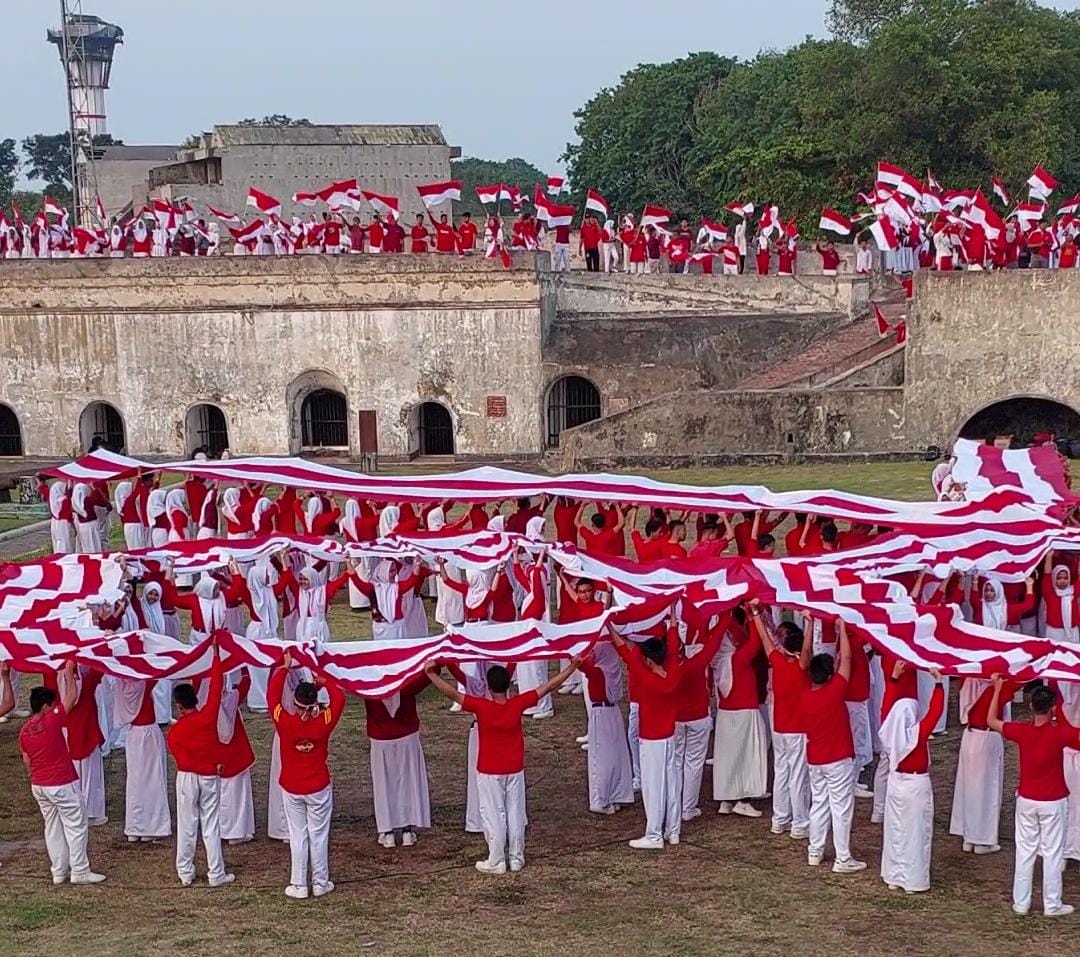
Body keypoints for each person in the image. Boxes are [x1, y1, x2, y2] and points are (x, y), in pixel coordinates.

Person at [425, 656, 583, 874]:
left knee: (493, 813)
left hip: (490, 770)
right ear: (509, 685)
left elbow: (452, 693)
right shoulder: (517, 704)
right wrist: (572, 667)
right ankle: (516, 857)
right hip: (514, 767)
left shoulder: (482, 707)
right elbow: (548, 686)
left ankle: (497, 859)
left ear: (489, 688)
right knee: (515, 811)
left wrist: (431, 674)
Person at [988, 676, 1080, 917]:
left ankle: (1021, 902)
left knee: (1025, 850)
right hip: (1053, 801)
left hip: (1027, 800)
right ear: (1052, 709)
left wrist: (997, 690)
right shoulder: (1060, 733)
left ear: (1030, 706)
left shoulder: (1022, 731)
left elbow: (992, 721)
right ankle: (1052, 904)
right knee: (1052, 853)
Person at [18, 661, 106, 885]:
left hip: (39, 785)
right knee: (76, 825)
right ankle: (79, 870)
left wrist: (37, 778)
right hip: (61, 783)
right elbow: (72, 695)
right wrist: (68, 670)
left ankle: (58, 871)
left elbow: (27, 760)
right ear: (46, 707)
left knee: (53, 827)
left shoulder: (24, 731)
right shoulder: (53, 720)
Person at [269, 652, 347, 899]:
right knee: (318, 834)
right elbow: (340, 697)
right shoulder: (323, 721)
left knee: (298, 834)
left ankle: (299, 884)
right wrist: (324, 682)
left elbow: (271, 696)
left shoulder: (284, 721)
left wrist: (284, 668)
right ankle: (321, 881)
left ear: (295, 701)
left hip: (292, 786)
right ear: (315, 702)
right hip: (318, 785)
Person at [799, 618, 865, 872]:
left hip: (815, 758)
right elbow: (847, 661)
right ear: (830, 674)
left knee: (819, 804)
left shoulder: (806, 697)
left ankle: (814, 851)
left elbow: (842, 663)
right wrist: (843, 629)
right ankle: (843, 857)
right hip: (837, 759)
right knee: (841, 808)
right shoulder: (835, 691)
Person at [167, 639, 234, 888]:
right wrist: (215, 658)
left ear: (178, 705)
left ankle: (185, 872)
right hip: (208, 776)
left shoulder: (175, 733)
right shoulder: (207, 716)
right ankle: (216, 873)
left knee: (187, 825)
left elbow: (176, 754)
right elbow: (216, 688)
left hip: (186, 777)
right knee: (211, 825)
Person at [611, 621, 683, 850]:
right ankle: (673, 830)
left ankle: (654, 835)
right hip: (669, 735)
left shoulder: (646, 676)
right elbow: (672, 648)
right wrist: (672, 621)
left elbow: (624, 650)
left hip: (652, 739)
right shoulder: (672, 671)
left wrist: (610, 628)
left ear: (649, 660)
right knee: (671, 782)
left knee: (653, 786)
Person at [878, 669, 944, 893]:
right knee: (916, 832)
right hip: (915, 786)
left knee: (896, 830)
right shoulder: (916, 734)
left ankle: (894, 875)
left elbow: (887, 709)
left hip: (896, 784)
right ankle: (913, 879)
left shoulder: (890, 733)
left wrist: (894, 680)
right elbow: (934, 713)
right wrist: (938, 684)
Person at [749, 604, 811, 838]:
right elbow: (806, 651)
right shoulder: (801, 667)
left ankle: (779, 819)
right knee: (797, 776)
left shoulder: (776, 660)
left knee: (781, 772)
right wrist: (811, 622)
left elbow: (765, 638)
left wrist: (756, 615)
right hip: (797, 729)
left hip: (780, 727)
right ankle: (799, 823)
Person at [950, 676, 1018, 854]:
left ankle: (968, 835)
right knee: (987, 789)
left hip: (970, 735)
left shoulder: (967, 680)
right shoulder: (993, 687)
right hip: (987, 738)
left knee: (969, 787)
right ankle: (982, 840)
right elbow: (1017, 684)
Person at [364, 674, 432, 848]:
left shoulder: (368, 682)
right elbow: (431, 673)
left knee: (383, 783)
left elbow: (346, 681)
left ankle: (387, 832)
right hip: (406, 734)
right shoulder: (408, 681)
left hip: (382, 737)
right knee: (408, 781)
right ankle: (407, 829)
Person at [712, 606, 767, 818]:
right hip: (745, 713)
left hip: (727, 714)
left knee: (728, 757)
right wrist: (753, 615)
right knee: (747, 757)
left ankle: (726, 798)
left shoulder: (719, 661)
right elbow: (755, 643)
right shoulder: (737, 659)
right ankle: (744, 799)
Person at [578, 638, 634, 814]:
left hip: (601, 715)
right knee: (616, 755)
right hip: (613, 713)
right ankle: (615, 793)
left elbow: (581, 663)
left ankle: (601, 799)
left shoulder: (598, 672)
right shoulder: (612, 670)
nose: (593, 655)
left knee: (600, 757)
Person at [114, 678, 171, 841]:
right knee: (152, 778)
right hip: (147, 734)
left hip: (135, 735)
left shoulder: (122, 683)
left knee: (136, 780)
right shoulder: (141, 684)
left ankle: (136, 826)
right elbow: (156, 674)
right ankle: (150, 826)